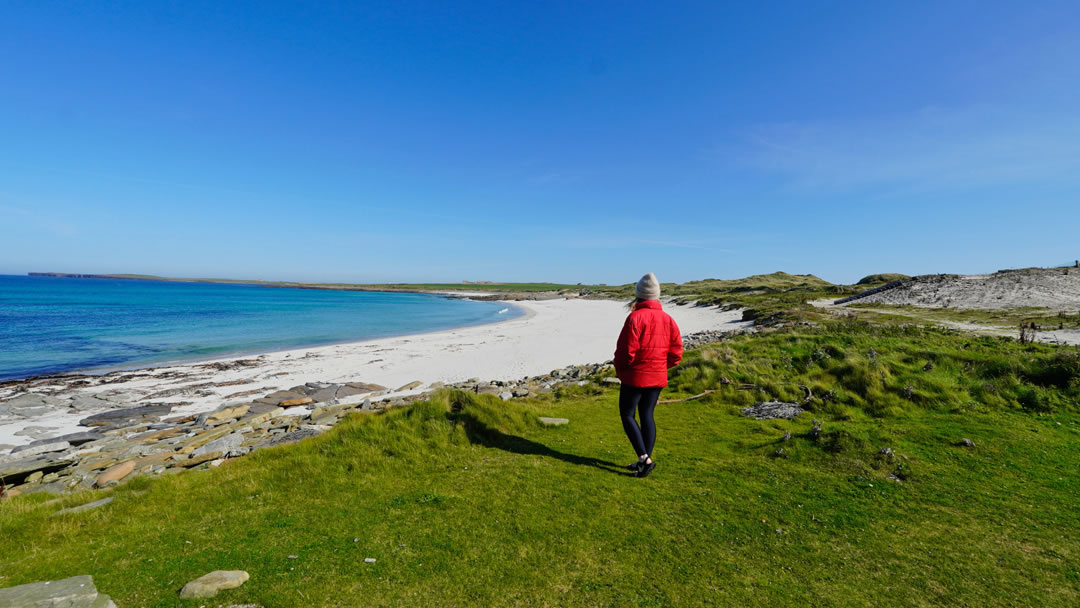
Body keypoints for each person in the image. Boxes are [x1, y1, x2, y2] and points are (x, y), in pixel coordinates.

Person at [613, 272, 683, 478]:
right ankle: (645, 460)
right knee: (647, 415)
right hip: (657, 377)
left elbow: (626, 352)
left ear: (639, 295)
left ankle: (645, 458)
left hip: (635, 376)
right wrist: (661, 366)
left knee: (627, 414)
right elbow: (676, 353)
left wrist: (622, 371)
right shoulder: (668, 319)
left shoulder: (635, 317)